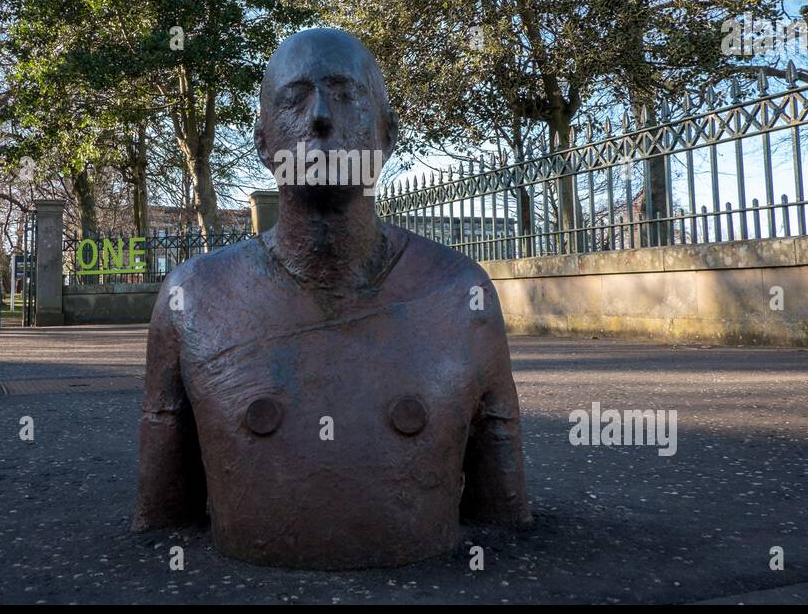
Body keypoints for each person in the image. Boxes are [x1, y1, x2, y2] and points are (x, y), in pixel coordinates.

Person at [132, 28, 531, 569]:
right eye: (294, 99)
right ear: (263, 142)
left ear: (387, 135)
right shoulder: (193, 298)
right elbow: (164, 514)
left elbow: (500, 510)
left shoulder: (461, 295)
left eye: (346, 95)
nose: (320, 116)